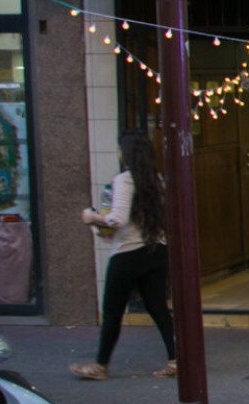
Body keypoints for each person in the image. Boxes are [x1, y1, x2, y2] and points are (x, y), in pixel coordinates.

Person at [70, 131, 176, 381]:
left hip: (128, 253)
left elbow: (117, 218)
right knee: (159, 308)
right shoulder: (157, 180)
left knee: (112, 311)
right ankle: (176, 359)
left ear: (126, 154)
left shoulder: (125, 180)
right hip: (157, 249)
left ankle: (101, 364)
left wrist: (92, 217)